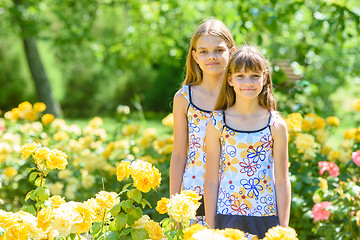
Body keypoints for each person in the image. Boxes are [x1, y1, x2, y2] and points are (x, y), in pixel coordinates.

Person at [204, 45, 291, 239]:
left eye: (254, 76)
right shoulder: (218, 122)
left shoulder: (276, 124)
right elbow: (210, 180)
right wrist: (210, 229)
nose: (248, 82)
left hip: (266, 217)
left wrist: (283, 230)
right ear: (230, 79)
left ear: (265, 77)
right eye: (241, 76)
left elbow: (283, 180)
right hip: (227, 215)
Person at [169, 17, 235, 224]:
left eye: (219, 50)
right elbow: (180, 154)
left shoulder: (242, 95)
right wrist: (174, 202)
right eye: (204, 52)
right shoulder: (184, 98)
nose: (211, 57)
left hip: (235, 190)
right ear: (195, 57)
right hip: (194, 191)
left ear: (231, 52)